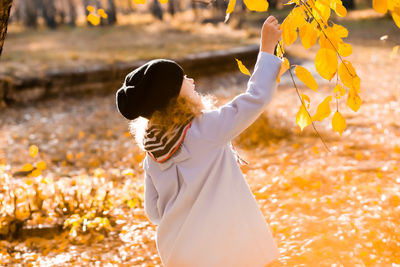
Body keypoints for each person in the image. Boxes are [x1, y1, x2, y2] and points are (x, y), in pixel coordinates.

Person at [116, 15, 283, 267]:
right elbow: (255, 98)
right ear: (173, 97)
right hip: (236, 251)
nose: (191, 80)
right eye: (183, 79)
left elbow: (153, 212)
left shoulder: (152, 156)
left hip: (182, 256)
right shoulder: (207, 130)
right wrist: (267, 49)